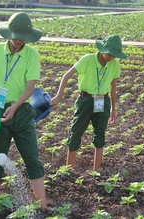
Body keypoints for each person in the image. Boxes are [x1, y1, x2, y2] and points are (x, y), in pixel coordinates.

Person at [0, 12, 48, 208]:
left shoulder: (32, 55)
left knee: (31, 157)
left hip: (22, 111)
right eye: (15, 36)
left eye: (23, 38)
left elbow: (30, 86)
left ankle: (42, 206)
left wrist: (15, 107)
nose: (18, 41)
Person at [50, 35, 128, 172]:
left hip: (102, 101)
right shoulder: (88, 59)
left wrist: (113, 108)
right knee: (76, 133)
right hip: (85, 100)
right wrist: (59, 95)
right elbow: (67, 75)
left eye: (114, 56)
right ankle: (69, 169)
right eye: (109, 54)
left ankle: (95, 171)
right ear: (103, 49)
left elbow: (113, 85)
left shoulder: (114, 64)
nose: (111, 58)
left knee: (100, 135)